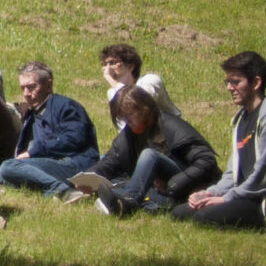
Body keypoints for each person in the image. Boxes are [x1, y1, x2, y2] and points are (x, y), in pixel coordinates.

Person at [173, 51, 266, 232]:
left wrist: (226, 198)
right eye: (227, 82)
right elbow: (233, 172)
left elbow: (264, 178)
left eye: (235, 82)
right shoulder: (241, 119)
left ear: (256, 83)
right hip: (246, 194)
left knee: (204, 218)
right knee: (180, 213)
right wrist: (211, 192)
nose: (229, 88)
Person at [73, 86, 219, 217]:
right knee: (120, 183)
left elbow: (206, 160)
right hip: (157, 189)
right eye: (123, 118)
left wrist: (175, 183)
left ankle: (127, 201)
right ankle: (138, 203)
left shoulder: (170, 125)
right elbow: (110, 162)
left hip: (185, 186)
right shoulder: (128, 135)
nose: (127, 123)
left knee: (149, 155)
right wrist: (87, 179)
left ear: (145, 110)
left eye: (129, 117)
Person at [0, 61, 99, 198]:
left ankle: (61, 191)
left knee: (9, 167)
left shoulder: (66, 106)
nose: (26, 93)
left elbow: (74, 140)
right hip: (44, 163)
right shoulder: (33, 113)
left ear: (48, 85)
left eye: (31, 87)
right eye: (23, 88)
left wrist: (35, 151)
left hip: (73, 164)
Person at [100, 42, 178, 129]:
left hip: (168, 133)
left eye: (112, 63)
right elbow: (122, 127)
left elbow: (138, 106)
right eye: (104, 64)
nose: (107, 69)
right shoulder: (112, 92)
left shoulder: (150, 81)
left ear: (130, 66)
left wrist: (109, 79)